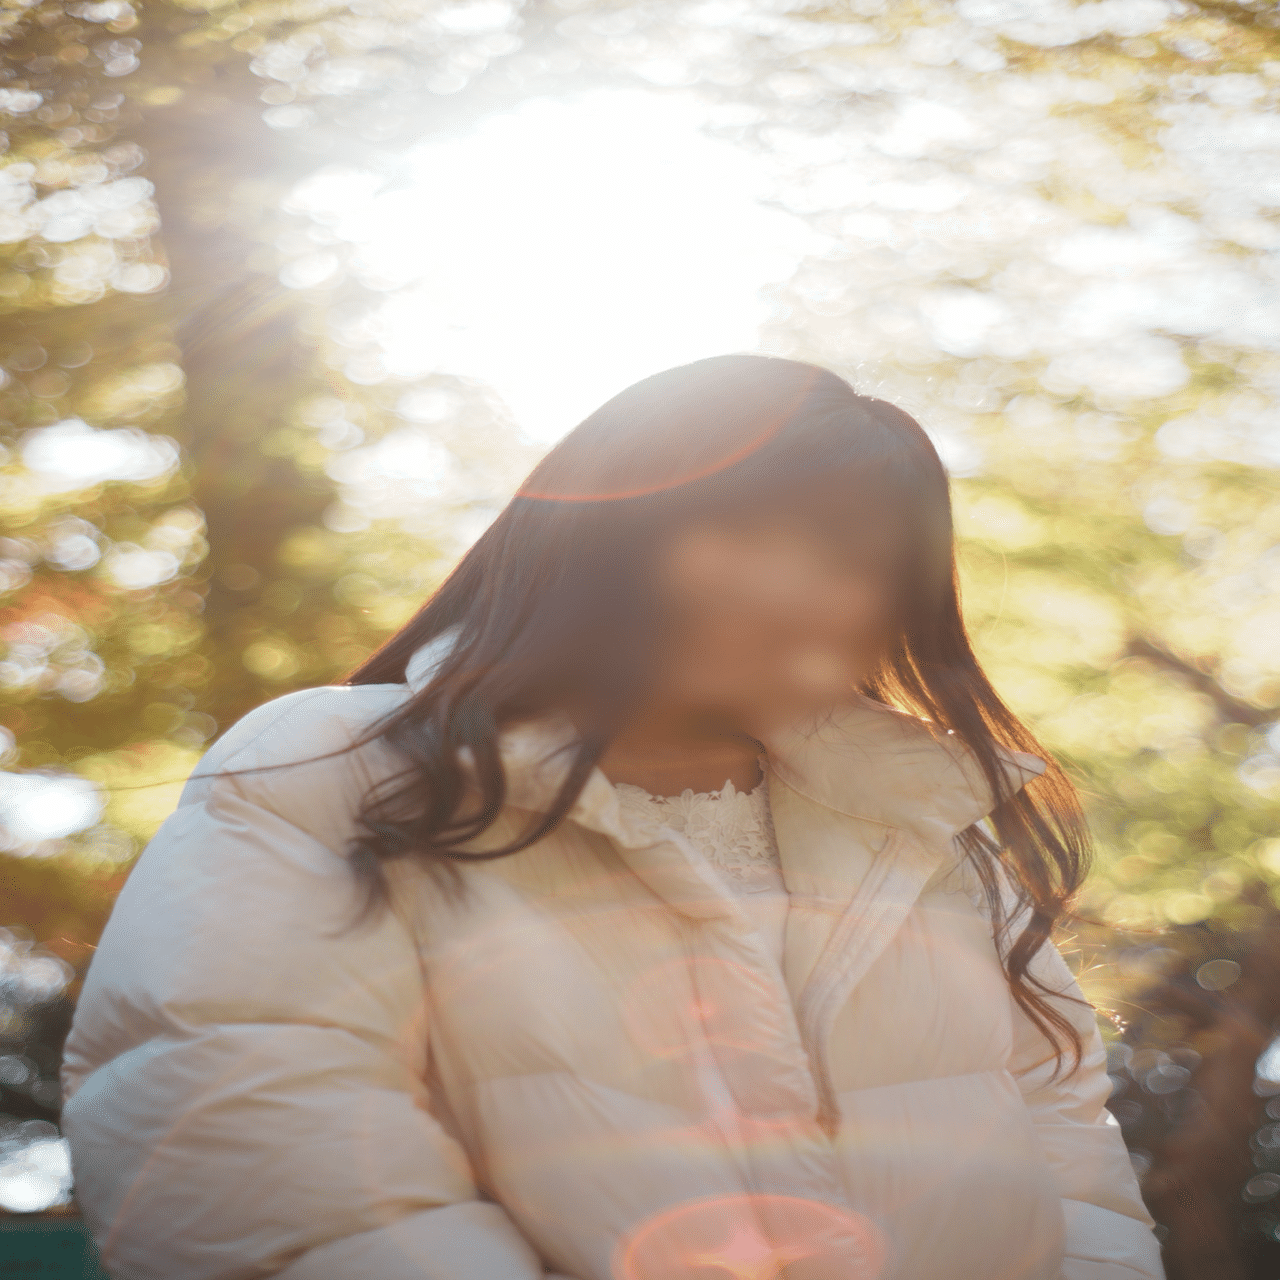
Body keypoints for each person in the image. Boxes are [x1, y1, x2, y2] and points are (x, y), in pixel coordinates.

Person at [59, 354, 1165, 1280]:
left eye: (850, 558)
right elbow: (252, 1151)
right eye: (738, 529)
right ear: (606, 523)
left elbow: (1075, 1177)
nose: (791, 588)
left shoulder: (922, 824)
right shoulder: (330, 765)